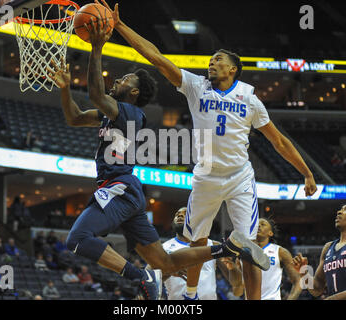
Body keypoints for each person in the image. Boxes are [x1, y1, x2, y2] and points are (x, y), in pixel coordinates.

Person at [100, 0, 318, 299]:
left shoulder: (250, 100)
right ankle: (191, 294)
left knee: (249, 244)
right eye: (210, 61)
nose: (211, 64)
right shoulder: (195, 86)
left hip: (240, 177)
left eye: (217, 60)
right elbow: (157, 57)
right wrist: (121, 26)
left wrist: (306, 173)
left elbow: (278, 141)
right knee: (197, 240)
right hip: (205, 176)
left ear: (233, 69)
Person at [47, 15, 270, 300]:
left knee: (77, 239)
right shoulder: (113, 112)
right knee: (164, 263)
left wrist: (97, 47)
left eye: (124, 79)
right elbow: (75, 118)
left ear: (135, 92)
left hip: (118, 186)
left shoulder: (128, 112)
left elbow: (95, 94)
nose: (117, 80)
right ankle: (227, 248)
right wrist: (65, 89)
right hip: (128, 192)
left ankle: (141, 277)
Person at [162, 207, 244, 300]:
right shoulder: (164, 248)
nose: (179, 215)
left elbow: (236, 284)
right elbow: (153, 278)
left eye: (185, 213)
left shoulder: (213, 245)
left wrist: (232, 267)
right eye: (177, 214)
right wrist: (169, 271)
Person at [292, 204, 346, 300]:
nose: (339, 212)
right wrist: (304, 272)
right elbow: (317, 289)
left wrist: (331, 298)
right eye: (340, 209)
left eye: (345, 210)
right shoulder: (328, 248)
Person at [256, 218, 302, 300]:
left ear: (270, 233)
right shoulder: (244, 252)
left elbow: (298, 281)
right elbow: (237, 287)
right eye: (256, 224)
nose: (258, 225)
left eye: (263, 224)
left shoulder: (280, 252)